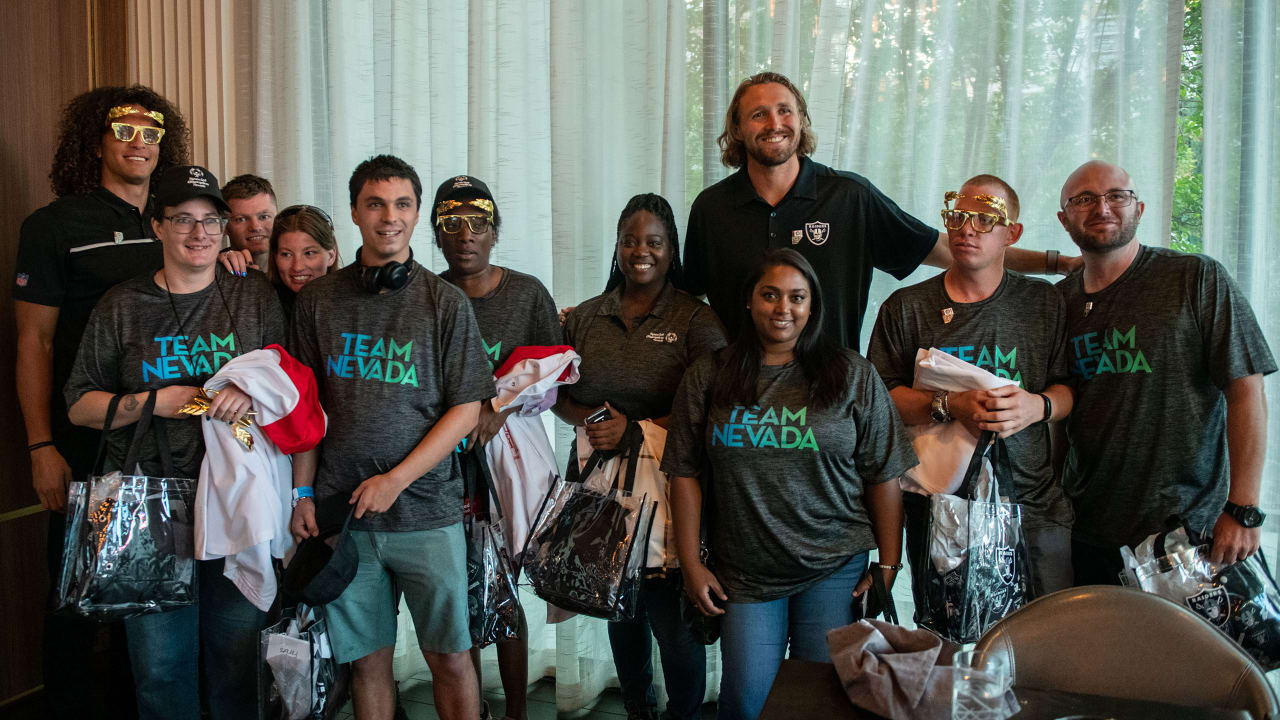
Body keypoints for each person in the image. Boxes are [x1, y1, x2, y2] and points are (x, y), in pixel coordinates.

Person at [63, 165, 286, 720]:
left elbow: (292, 388)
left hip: (236, 500)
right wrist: (158, 401)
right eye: (182, 219)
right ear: (157, 227)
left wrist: (251, 392)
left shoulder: (253, 295)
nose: (198, 233)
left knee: (237, 661)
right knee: (160, 672)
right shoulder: (122, 304)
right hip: (147, 506)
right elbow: (79, 403)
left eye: (210, 220)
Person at [664, 248, 913, 720]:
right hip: (745, 570)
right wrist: (692, 565)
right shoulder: (708, 376)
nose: (783, 308)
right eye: (770, 295)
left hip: (833, 566)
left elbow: (884, 472)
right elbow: (685, 473)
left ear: (812, 306)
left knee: (819, 702)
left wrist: (889, 562)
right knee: (744, 701)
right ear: (748, 301)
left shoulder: (852, 375)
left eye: (797, 297)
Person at [287, 155, 492, 720]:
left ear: (417, 213)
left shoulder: (443, 302)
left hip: (427, 515)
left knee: (450, 659)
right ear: (355, 212)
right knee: (367, 664)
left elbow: (467, 407)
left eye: (402, 204)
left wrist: (396, 480)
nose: (389, 217)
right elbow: (305, 411)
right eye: (375, 203)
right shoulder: (318, 301)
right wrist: (302, 495)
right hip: (343, 517)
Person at [13, 84, 190, 720]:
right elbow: (33, 343)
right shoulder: (56, 224)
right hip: (87, 441)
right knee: (75, 597)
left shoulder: (181, 221)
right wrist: (41, 446)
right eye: (124, 128)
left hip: (168, 447)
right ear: (96, 140)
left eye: (152, 131)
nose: (139, 141)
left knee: (146, 603)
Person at [683, 71, 1077, 350]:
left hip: (832, 398)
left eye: (784, 111)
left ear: (802, 121)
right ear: (736, 128)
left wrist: (1058, 264)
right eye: (758, 114)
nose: (774, 123)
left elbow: (950, 249)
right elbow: (686, 303)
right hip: (738, 405)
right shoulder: (712, 208)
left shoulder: (849, 196)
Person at [1055, 160, 1275, 583]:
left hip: (1192, 530)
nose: (1102, 207)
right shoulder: (1058, 303)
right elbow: (1061, 418)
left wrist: (1243, 508)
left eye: (1117, 195)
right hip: (1089, 532)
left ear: (1139, 209)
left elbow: (1247, 388)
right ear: (1065, 220)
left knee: (1208, 651)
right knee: (1102, 650)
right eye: (1084, 199)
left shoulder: (1194, 277)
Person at [554, 193, 727, 720]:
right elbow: (556, 393)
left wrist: (638, 428)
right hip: (601, 482)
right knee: (618, 604)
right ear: (617, 246)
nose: (640, 251)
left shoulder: (696, 319)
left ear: (671, 249)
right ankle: (637, 708)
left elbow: (717, 403)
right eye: (630, 240)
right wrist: (592, 421)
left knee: (671, 616)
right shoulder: (585, 316)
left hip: (671, 485)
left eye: (653, 241)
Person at [867, 174, 1075, 602]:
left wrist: (1036, 406)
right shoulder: (907, 309)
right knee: (957, 647)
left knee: (1051, 643)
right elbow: (881, 401)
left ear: (1011, 234)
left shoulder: (1044, 303)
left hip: (1032, 504)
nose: (967, 229)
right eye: (958, 217)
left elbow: (1071, 389)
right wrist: (949, 404)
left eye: (984, 220)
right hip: (943, 509)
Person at [431, 174, 559, 720]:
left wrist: (498, 406)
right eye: (451, 224)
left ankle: (516, 711)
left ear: (494, 230)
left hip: (508, 466)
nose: (466, 235)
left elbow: (557, 374)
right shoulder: (429, 294)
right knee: (461, 597)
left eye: (478, 223)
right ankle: (471, 707)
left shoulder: (526, 293)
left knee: (503, 590)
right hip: (444, 468)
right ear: (437, 235)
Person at [267, 203, 341, 321]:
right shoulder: (262, 303)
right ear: (275, 257)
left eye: (309, 253)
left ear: (331, 256)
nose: (297, 267)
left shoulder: (350, 304)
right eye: (286, 254)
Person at [222, 173, 277, 270]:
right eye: (241, 219)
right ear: (224, 226)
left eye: (264, 217)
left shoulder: (298, 269)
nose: (255, 227)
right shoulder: (212, 271)